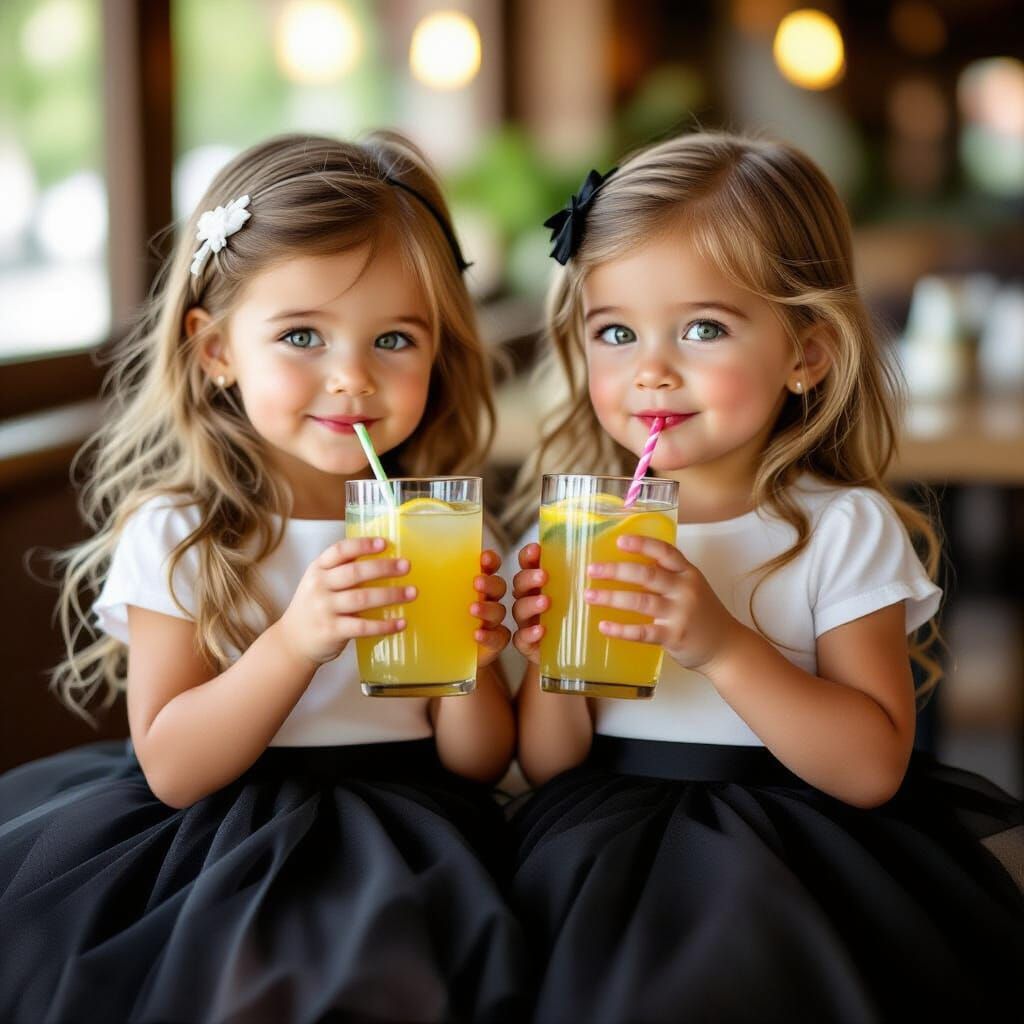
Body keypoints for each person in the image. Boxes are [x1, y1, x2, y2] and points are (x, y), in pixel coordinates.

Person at [0, 132, 526, 1024]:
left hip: (420, 834)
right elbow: (170, 765)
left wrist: (475, 659)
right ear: (216, 351)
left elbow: (479, 759)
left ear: (439, 351)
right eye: (301, 336)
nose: (352, 377)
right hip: (220, 842)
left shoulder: (440, 524)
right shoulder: (182, 536)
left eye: (394, 338)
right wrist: (296, 639)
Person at [505, 131, 1024, 1022]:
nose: (652, 368)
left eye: (703, 328)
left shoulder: (838, 528)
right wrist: (553, 656)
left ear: (806, 354)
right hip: (596, 851)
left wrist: (720, 645)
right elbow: (550, 764)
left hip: (792, 858)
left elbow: (870, 769)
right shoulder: (576, 529)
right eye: (616, 332)